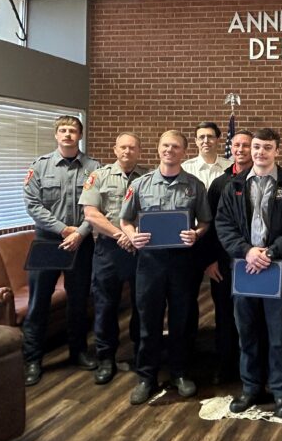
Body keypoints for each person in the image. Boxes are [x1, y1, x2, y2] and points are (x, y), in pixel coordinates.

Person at [216, 128, 282, 418]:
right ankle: (250, 387)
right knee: (247, 331)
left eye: (267, 147)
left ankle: (281, 391)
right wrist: (246, 251)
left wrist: (269, 252)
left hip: (275, 267)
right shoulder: (234, 187)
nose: (260, 152)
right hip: (244, 266)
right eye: (256, 147)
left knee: (278, 333)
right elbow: (224, 225)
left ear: (277, 151)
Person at [120, 130, 211, 405]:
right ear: (158, 149)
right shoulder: (140, 184)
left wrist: (196, 234)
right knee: (148, 320)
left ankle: (180, 373)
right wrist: (132, 234)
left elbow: (205, 222)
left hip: (183, 263)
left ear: (184, 152)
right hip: (150, 263)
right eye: (165, 146)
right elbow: (125, 220)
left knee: (181, 320)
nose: (169, 150)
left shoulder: (195, 186)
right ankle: (146, 376)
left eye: (175, 147)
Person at [22, 115, 101, 386]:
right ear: (56, 135)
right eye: (63, 131)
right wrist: (62, 229)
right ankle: (32, 360)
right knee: (38, 304)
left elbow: (98, 207)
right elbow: (33, 205)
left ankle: (78, 352)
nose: (68, 135)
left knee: (79, 301)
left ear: (80, 136)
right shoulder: (40, 167)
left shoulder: (94, 168)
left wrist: (79, 233)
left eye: (73, 131)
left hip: (82, 242)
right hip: (48, 242)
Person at [79, 132, 146, 385]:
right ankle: (106, 357)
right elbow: (91, 214)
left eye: (132, 147)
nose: (127, 152)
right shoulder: (98, 176)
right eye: (123, 147)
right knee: (106, 306)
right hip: (109, 248)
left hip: (141, 248)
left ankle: (141, 353)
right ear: (115, 150)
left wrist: (133, 236)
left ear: (139, 151)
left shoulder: (149, 177)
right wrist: (121, 234)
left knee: (142, 304)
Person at [205, 129, 254, 384]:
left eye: (246, 145)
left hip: (255, 262)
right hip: (224, 262)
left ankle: (254, 369)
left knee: (252, 317)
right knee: (224, 315)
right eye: (237, 145)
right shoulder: (219, 184)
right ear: (231, 149)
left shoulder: (265, 178)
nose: (241, 150)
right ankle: (226, 366)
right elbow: (210, 225)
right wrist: (210, 260)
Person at [182, 122, 232, 355]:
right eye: (201, 137)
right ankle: (189, 348)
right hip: (190, 241)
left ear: (219, 140)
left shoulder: (231, 169)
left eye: (210, 136)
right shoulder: (184, 168)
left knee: (223, 300)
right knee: (187, 297)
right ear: (195, 141)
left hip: (221, 242)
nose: (205, 141)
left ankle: (224, 352)